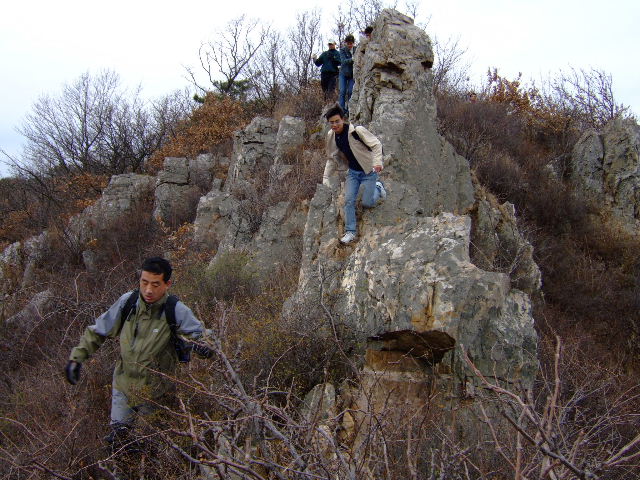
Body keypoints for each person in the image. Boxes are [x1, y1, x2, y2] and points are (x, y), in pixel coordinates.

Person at [65, 257, 205, 446]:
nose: (148, 290)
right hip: (124, 385)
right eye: (144, 282)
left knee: (150, 445)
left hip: (156, 393)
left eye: (155, 284)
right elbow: (98, 330)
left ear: (167, 284)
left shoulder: (175, 310)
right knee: (118, 442)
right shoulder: (128, 302)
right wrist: (76, 359)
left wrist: (204, 346)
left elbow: (201, 335)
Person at [323, 104, 386, 245]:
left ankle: (378, 187)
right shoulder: (331, 136)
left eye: (337, 121)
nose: (334, 125)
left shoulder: (357, 131)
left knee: (367, 203)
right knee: (349, 201)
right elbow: (331, 158)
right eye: (331, 122)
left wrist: (377, 163)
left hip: (369, 172)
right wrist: (326, 177)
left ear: (343, 119)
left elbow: (376, 144)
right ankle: (350, 232)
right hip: (353, 172)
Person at [338, 34, 356, 115]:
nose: (349, 45)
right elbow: (343, 61)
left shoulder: (356, 50)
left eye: (351, 43)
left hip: (352, 74)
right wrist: (352, 59)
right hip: (343, 73)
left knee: (350, 92)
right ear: (346, 43)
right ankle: (341, 110)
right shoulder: (342, 50)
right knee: (342, 91)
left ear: (353, 43)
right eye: (348, 43)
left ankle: (349, 110)